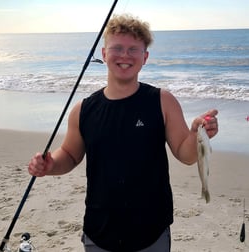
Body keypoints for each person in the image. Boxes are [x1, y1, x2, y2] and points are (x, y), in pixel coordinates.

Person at [28, 14, 218, 252]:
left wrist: (196, 134)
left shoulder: (163, 101)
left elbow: (186, 153)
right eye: (117, 48)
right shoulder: (84, 109)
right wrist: (50, 164)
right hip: (99, 231)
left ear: (145, 57)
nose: (125, 55)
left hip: (151, 231)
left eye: (133, 49)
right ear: (104, 53)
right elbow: (69, 154)